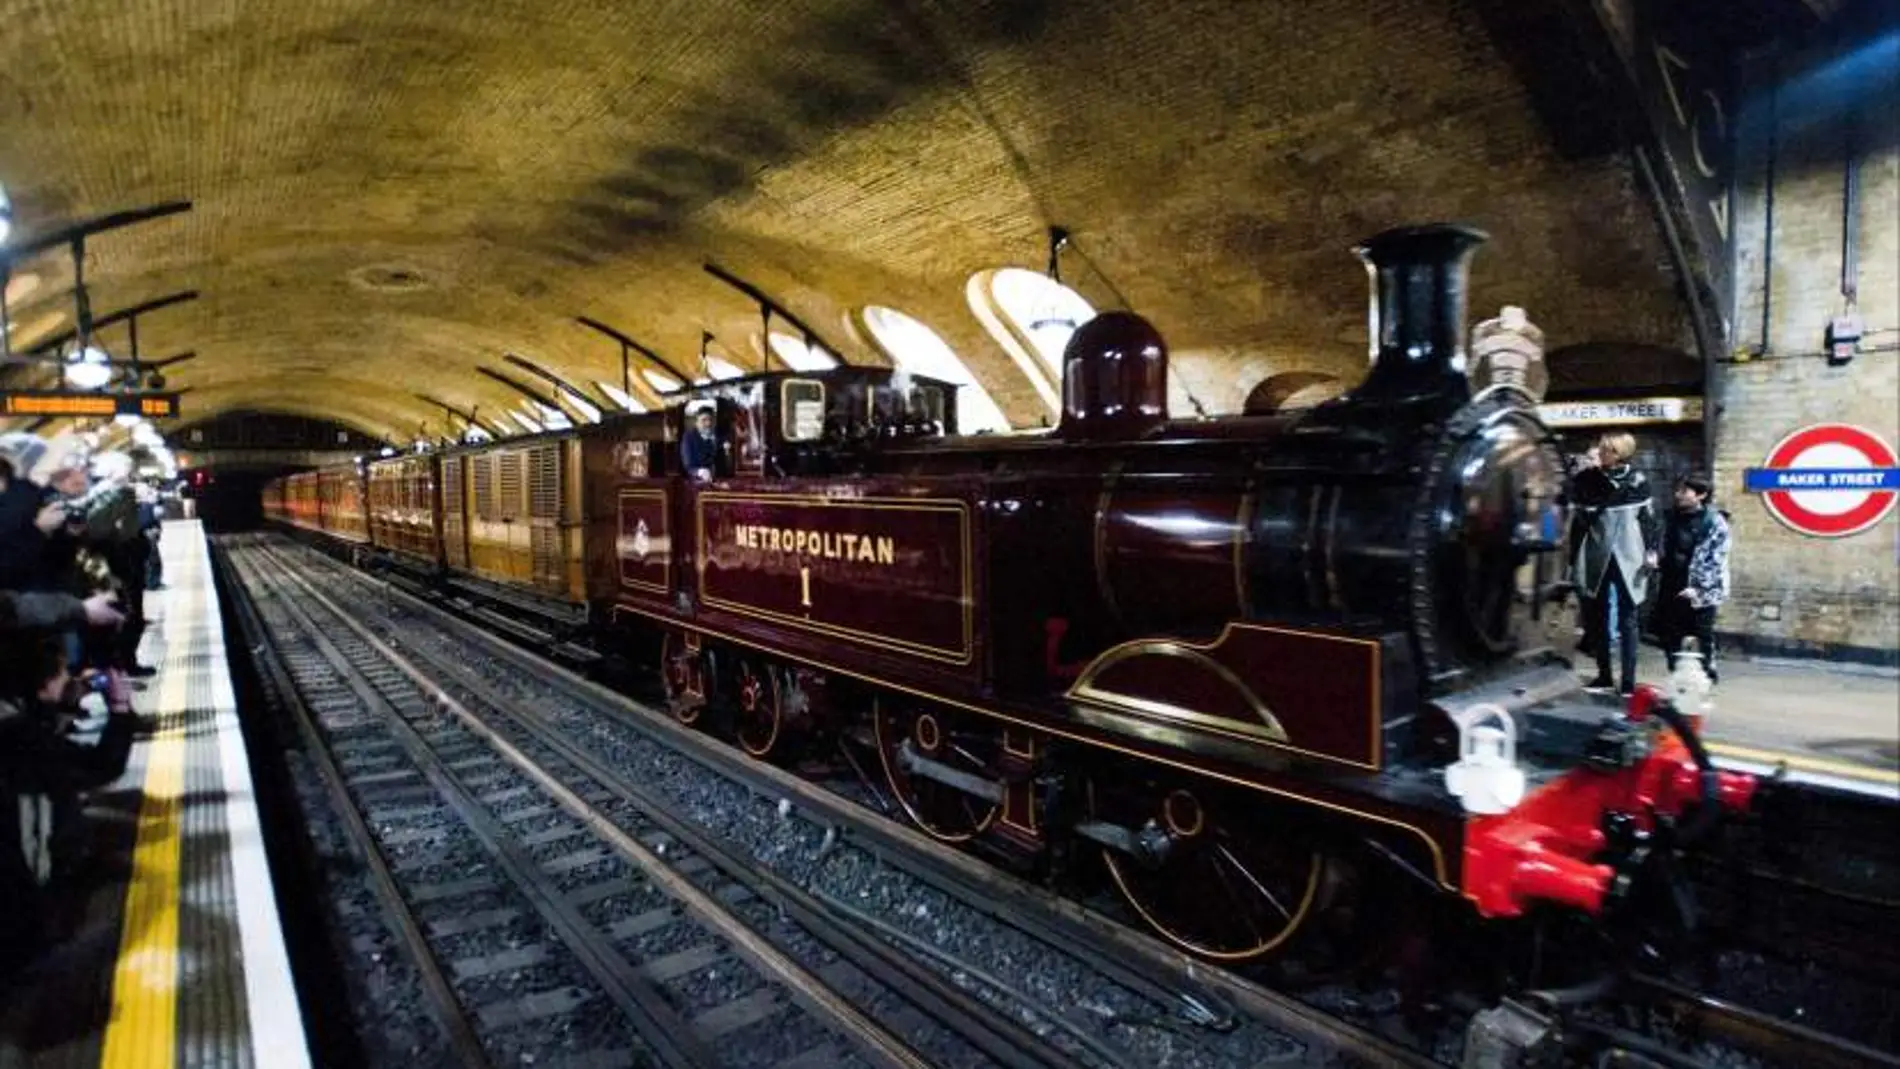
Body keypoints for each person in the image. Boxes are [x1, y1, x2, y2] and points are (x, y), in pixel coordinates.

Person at [1568, 432, 1659, 696]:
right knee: (1597, 617)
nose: (1601, 452)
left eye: (1607, 449)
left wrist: (1653, 550)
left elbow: (1649, 519)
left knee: (1628, 619)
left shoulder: (1638, 480)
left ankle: (1628, 682)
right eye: (1601, 448)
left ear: (1621, 453)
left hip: (1630, 555)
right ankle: (1604, 676)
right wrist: (1574, 559)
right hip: (1597, 552)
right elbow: (1578, 524)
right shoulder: (1586, 480)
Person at [1655, 472, 1730, 684]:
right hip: (1671, 583)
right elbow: (1660, 543)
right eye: (1677, 490)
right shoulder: (1669, 517)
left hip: (1702, 589)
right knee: (1670, 634)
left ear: (1701, 495)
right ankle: (1677, 676)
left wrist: (1697, 587)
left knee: (1702, 633)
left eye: (1684, 491)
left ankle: (1705, 676)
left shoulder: (1714, 522)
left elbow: (1715, 560)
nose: (1678, 495)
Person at [681, 406, 720, 481]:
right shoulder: (689, 437)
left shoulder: (718, 435)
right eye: (704, 420)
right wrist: (700, 472)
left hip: (719, 479)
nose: (708, 423)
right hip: (697, 481)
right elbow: (688, 466)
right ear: (696, 422)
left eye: (711, 420)